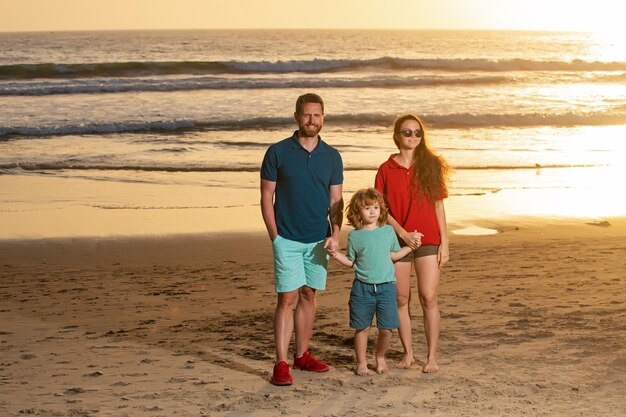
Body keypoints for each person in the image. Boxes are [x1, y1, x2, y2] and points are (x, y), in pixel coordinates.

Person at [260, 93, 344, 386]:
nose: (312, 120)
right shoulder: (277, 152)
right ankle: (280, 364)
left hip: (318, 240)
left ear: (323, 118)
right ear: (296, 117)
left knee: (309, 294)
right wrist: (275, 237)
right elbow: (266, 197)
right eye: (307, 115)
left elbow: (336, 201)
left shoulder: (332, 156)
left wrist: (335, 234)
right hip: (287, 238)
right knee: (287, 298)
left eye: (317, 115)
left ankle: (302, 356)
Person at [375, 113, 450, 373]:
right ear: (397, 136)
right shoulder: (386, 169)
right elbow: (382, 211)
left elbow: (439, 205)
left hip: (430, 238)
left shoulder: (431, 165)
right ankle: (408, 354)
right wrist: (404, 234)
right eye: (407, 132)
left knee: (428, 297)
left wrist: (445, 243)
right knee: (401, 298)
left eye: (417, 133)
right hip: (397, 240)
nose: (413, 137)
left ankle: (431, 358)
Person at [327, 188, 413, 376]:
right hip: (362, 289)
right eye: (367, 208)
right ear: (358, 212)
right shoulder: (355, 236)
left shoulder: (388, 231)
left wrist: (410, 247)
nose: (373, 211)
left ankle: (380, 356)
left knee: (388, 328)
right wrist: (335, 255)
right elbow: (351, 262)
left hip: (387, 288)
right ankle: (362, 363)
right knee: (362, 328)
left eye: (376, 207)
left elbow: (394, 255)